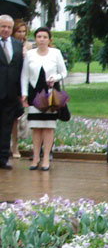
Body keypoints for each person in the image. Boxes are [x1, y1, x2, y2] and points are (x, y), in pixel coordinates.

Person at [20, 27, 67, 171]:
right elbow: (25, 75)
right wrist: (24, 93)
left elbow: (64, 72)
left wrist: (55, 78)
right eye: (39, 37)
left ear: (49, 39)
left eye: (44, 37)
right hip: (35, 93)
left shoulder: (56, 53)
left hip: (50, 94)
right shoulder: (30, 54)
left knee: (48, 127)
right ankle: (35, 157)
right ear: (35, 39)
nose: (41, 39)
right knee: (36, 127)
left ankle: (46, 157)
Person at [0, 14, 24, 170]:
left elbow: (20, 69)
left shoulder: (17, 44)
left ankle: (2, 158)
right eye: (3, 26)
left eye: (8, 27)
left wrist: (21, 94)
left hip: (10, 94)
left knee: (6, 127)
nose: (5, 30)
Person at [10, 20, 31, 160]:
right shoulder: (8, 44)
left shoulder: (28, 46)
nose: (21, 34)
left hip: (23, 83)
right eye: (19, 31)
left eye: (24, 31)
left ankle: (15, 145)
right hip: (10, 82)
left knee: (17, 116)